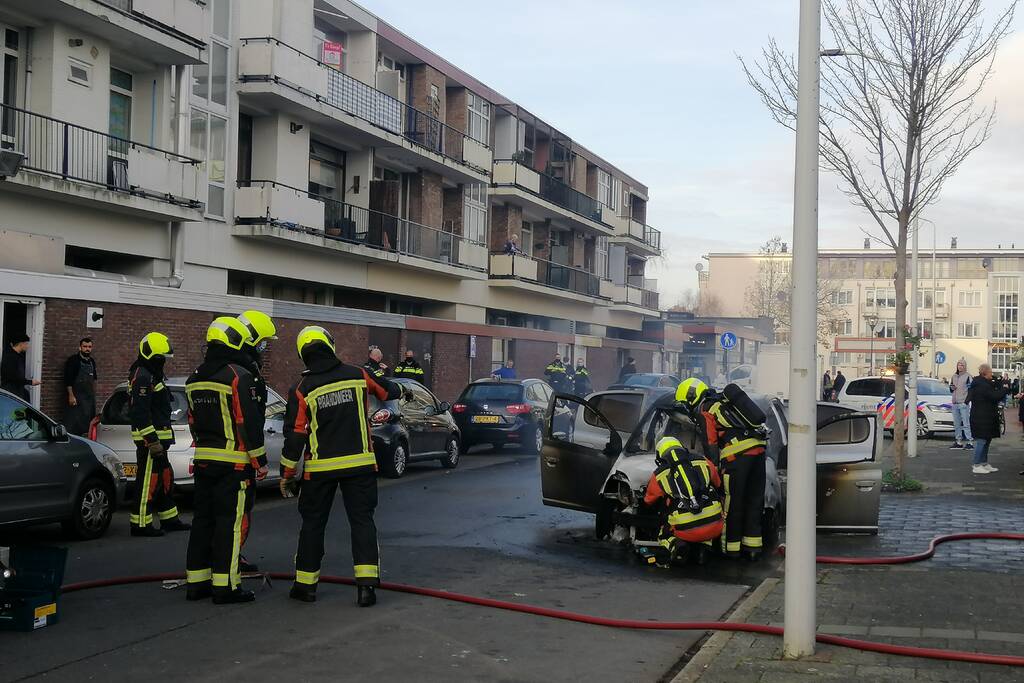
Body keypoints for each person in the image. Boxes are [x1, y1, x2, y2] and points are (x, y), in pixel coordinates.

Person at [281, 326, 406, 606]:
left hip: (320, 470)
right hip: (360, 465)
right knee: (362, 522)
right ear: (330, 346)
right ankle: (366, 588)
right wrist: (394, 383)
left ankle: (304, 586)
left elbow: (295, 436)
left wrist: (288, 474)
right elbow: (389, 391)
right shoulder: (358, 374)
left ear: (304, 355)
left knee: (313, 524)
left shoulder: (301, 389)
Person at [184, 317, 268, 604]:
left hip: (204, 459)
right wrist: (260, 460)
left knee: (202, 522)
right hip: (233, 463)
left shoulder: (194, 378)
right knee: (228, 524)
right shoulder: (238, 375)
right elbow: (248, 421)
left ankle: (196, 584)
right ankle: (226, 586)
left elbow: (193, 420)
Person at [677, 377, 767, 561]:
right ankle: (752, 549)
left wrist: (713, 470)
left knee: (732, 504)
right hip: (758, 453)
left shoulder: (705, 409)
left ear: (690, 397)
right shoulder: (724, 403)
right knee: (754, 501)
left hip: (737, 458)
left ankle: (730, 549)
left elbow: (710, 443)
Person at [128, 332, 189, 537]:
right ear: (151, 356)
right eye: (160, 358)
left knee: (164, 479)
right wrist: (152, 441)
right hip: (150, 442)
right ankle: (140, 524)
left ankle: (169, 519)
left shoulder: (152, 374)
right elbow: (140, 413)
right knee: (147, 482)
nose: (163, 362)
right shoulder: (142, 376)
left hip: (160, 439)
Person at [234, 309, 278, 574]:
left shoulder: (222, 370)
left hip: (214, 460)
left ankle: (215, 564)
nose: (264, 347)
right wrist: (259, 460)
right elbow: (249, 420)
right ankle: (230, 563)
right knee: (239, 513)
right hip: (238, 460)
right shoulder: (244, 375)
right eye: (262, 341)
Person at [641, 437, 723, 567]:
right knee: (707, 515)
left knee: (663, 533)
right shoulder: (703, 461)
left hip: (685, 530)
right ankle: (703, 549)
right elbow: (718, 483)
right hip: (715, 524)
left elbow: (649, 501)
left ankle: (676, 546)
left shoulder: (660, 474)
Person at [967, 364, 1009, 475]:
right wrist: (1004, 389)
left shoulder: (985, 383)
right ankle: (976, 465)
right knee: (981, 441)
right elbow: (994, 396)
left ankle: (984, 463)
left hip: (987, 416)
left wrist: (998, 382)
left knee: (987, 440)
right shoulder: (981, 385)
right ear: (985, 373)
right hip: (981, 417)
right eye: (990, 372)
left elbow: (994, 389)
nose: (992, 374)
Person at [63, 338, 98, 436]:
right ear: (80, 347)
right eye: (85, 346)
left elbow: (94, 379)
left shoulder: (92, 361)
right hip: (76, 397)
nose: (87, 349)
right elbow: (68, 379)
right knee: (74, 423)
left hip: (89, 398)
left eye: (89, 347)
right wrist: (71, 395)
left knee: (87, 423)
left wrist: (93, 395)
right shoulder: (73, 360)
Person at [1, 333, 40, 401]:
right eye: (26, 343)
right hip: (11, 393)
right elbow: (12, 377)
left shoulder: (17, 356)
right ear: (21, 343)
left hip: (15, 392)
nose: (28, 346)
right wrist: (30, 382)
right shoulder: (10, 357)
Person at [949, 359, 973, 449]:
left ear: (965, 366)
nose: (960, 366)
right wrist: (952, 388)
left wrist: (966, 402)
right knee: (957, 424)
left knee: (966, 423)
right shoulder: (954, 376)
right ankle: (958, 441)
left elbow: (971, 390)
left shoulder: (968, 376)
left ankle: (970, 441)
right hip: (955, 403)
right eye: (959, 365)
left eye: (962, 365)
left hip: (963, 403)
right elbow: (951, 389)